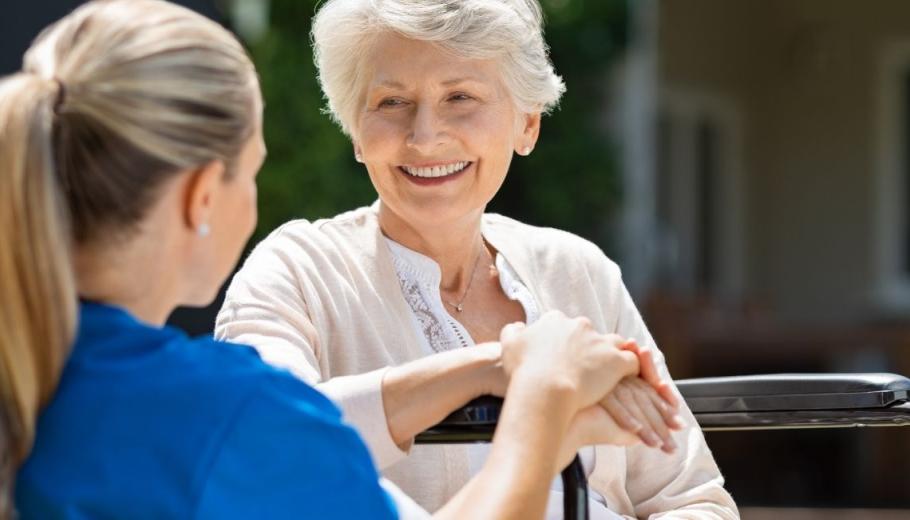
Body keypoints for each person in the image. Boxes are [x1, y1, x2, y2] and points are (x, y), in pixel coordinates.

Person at [1, 1, 671, 518]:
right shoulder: (229, 410)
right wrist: (542, 402)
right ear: (204, 193)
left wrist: (497, 369)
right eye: (254, 171)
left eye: (460, 97)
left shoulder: (36, 371)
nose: (425, 132)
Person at [215, 0, 740, 518]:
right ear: (356, 130)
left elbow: (691, 498)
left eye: (460, 97)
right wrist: (503, 368)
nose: (424, 136)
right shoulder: (297, 271)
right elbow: (260, 446)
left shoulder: (579, 270)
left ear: (527, 124)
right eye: (392, 102)